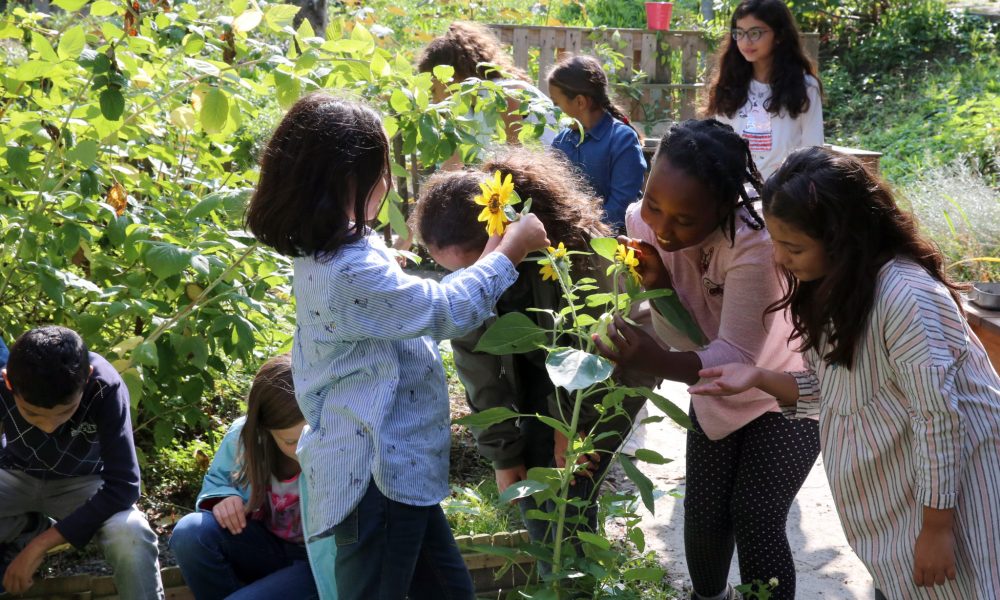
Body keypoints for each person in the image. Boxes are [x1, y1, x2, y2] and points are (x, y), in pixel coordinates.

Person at [244, 92, 549, 600]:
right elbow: (442, 311)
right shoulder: (345, 272)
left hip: (396, 471)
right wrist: (511, 251)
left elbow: (401, 298)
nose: (386, 183)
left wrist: (484, 255)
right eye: (379, 170)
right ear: (346, 179)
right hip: (374, 476)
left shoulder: (337, 247)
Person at [691, 147, 1000, 600]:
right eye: (776, 242)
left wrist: (937, 528)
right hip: (904, 505)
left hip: (954, 502)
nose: (779, 258)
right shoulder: (837, 288)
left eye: (792, 246)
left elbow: (939, 420)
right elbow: (835, 392)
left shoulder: (905, 297)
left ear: (842, 238)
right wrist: (755, 376)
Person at [593, 119, 820, 600]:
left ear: (725, 207)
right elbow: (685, 338)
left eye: (684, 219)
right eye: (654, 205)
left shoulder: (754, 242)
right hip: (715, 388)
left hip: (787, 385)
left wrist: (655, 360)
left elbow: (735, 356)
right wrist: (658, 288)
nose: (662, 228)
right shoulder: (642, 224)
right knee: (703, 513)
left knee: (756, 515)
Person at [409, 148, 656, 559]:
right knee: (537, 499)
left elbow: (598, 348)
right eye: (457, 275)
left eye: (476, 268)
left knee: (568, 490)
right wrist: (502, 452)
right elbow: (477, 364)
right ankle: (557, 569)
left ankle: (573, 576)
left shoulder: (574, 254)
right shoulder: (469, 279)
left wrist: (571, 427)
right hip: (534, 376)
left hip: (606, 375)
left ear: (506, 234)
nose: (469, 283)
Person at [0, 326, 163, 598]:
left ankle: (33, 534)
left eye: (65, 412)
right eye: (32, 414)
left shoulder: (104, 386)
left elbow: (124, 486)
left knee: (131, 535)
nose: (49, 426)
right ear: (7, 382)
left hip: (83, 485)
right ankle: (28, 525)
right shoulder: (5, 383)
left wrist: (38, 547)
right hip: (16, 476)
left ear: (86, 377)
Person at [170, 355, 322, 600]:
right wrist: (225, 497)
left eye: (309, 435)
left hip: (316, 563)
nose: (301, 448)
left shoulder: (338, 442)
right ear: (264, 429)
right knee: (190, 533)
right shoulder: (244, 437)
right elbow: (218, 482)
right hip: (264, 547)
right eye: (290, 441)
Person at [704, 0, 823, 180]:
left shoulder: (805, 87)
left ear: (779, 35)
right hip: (736, 191)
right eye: (739, 33)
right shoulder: (728, 83)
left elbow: (813, 149)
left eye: (755, 33)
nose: (746, 41)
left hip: (786, 192)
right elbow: (720, 144)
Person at [418, 21, 559, 150]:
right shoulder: (467, 112)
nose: (434, 100)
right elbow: (454, 163)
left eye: (433, 90)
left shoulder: (504, 94)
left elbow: (518, 160)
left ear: (450, 77)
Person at [548, 54, 647, 233]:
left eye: (557, 104)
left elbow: (620, 207)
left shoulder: (621, 140)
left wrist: (585, 235)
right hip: (571, 241)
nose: (553, 111)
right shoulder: (561, 141)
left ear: (580, 102)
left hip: (613, 244)